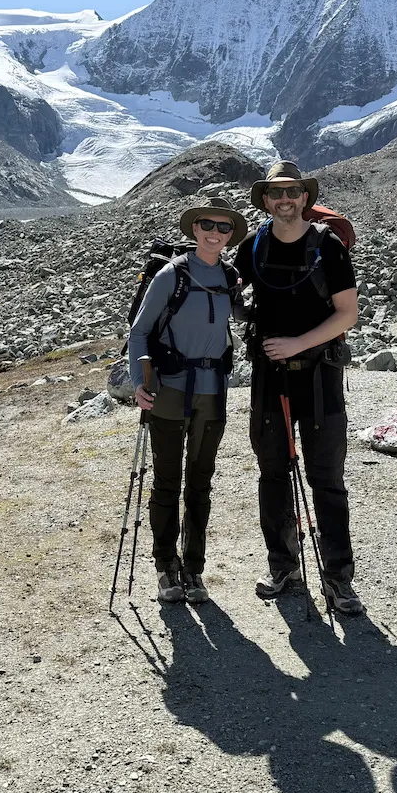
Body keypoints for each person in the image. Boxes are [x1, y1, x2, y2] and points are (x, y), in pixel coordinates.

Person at [235, 161, 363, 615]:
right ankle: (283, 565)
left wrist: (297, 343)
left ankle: (339, 578)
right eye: (276, 193)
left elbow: (346, 312)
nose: (285, 199)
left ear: (304, 197)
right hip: (270, 380)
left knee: (326, 480)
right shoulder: (252, 246)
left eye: (293, 192)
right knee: (273, 475)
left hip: (319, 377)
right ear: (266, 200)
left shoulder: (328, 246)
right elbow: (232, 294)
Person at [127, 196, 247, 605]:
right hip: (170, 390)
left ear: (231, 234)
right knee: (166, 480)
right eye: (207, 225)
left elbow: (246, 318)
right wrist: (136, 381)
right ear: (194, 228)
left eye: (223, 227)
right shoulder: (170, 275)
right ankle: (166, 567)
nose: (215, 233)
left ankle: (193, 568)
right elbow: (139, 332)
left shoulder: (231, 278)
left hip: (213, 391)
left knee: (200, 482)